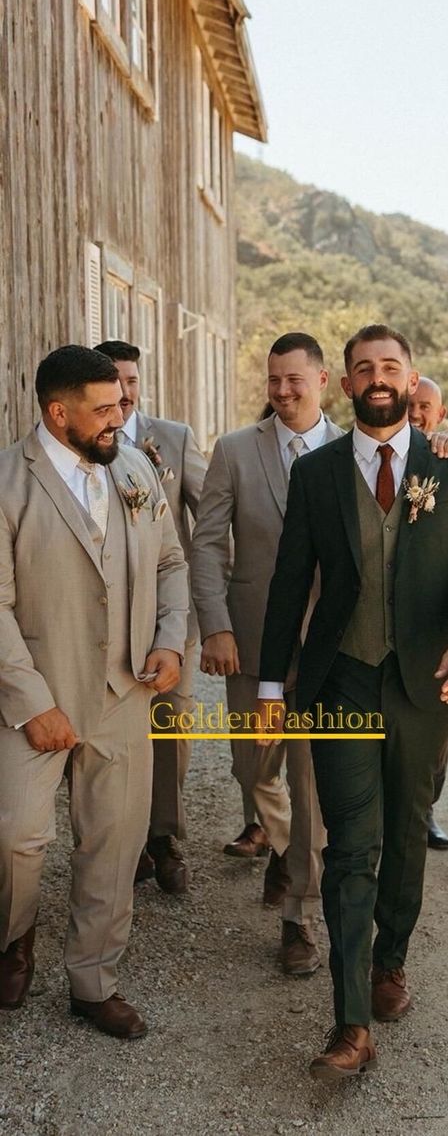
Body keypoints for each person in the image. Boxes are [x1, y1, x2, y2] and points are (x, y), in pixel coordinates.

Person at [257, 323, 448, 1079]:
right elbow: (291, 581)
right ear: (346, 385)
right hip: (343, 682)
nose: (378, 378)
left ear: (410, 376)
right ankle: (350, 1020)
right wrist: (271, 682)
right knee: (351, 846)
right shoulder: (318, 473)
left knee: (404, 835)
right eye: (364, 368)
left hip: (423, 682)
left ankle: (390, 959)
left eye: (390, 366)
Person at [0, 346, 188, 1037]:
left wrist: (169, 640)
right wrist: (34, 704)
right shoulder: (6, 483)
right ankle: (13, 935)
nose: (121, 416)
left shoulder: (134, 468)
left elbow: (170, 561)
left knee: (113, 843)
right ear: (58, 412)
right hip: (33, 702)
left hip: (124, 692)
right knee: (16, 836)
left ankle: (92, 981)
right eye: (104, 408)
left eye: (121, 402)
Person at [190, 333, 341, 975]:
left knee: (310, 786)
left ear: (323, 380)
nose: (282, 392)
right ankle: (281, 847)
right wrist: (215, 625)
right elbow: (204, 545)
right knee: (253, 771)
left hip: (330, 647)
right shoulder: (233, 450)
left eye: (294, 381)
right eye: (273, 381)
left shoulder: (354, 448)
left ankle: (298, 920)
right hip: (251, 642)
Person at [96, 340, 207, 895]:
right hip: (106, 622)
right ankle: (120, 841)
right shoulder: (80, 443)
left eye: (132, 379)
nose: (125, 390)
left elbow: (209, 522)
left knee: (171, 728)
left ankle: (162, 838)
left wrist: (210, 611)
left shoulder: (175, 438)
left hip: (170, 617)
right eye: (114, 379)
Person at [409, 375, 448, 850]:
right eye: (411, 404)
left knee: (436, 734)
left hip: (436, 624)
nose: (418, 413)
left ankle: (426, 810)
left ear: (441, 414)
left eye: (427, 407)